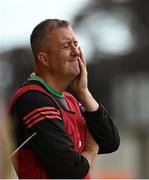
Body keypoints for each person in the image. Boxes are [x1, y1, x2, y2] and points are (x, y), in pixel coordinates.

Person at [8, 19, 120, 179]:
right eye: (66, 46)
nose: (76, 52)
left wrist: (84, 92)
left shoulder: (71, 99)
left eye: (76, 43)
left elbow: (110, 142)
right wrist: (91, 150)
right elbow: (70, 170)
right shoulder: (33, 100)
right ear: (44, 59)